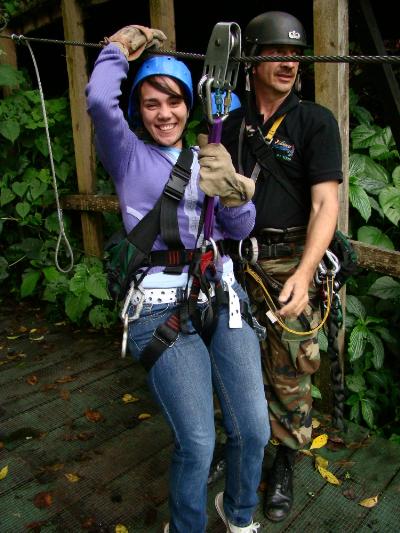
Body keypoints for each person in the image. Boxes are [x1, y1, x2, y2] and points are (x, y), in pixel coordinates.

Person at [86, 24, 269, 533]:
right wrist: (119, 47)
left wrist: (233, 194)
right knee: (199, 441)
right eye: (151, 104)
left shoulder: (206, 153)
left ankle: (237, 516)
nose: (164, 114)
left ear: (190, 105)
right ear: (139, 112)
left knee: (253, 428)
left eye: (174, 101)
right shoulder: (127, 155)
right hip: (160, 306)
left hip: (218, 291)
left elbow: (240, 230)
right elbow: (101, 101)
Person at [219, 11, 343, 523]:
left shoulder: (313, 121)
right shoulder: (228, 122)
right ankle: (239, 451)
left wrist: (304, 271)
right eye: (275, 52)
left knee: (293, 368)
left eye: (294, 54)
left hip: (292, 261)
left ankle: (287, 461)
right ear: (252, 59)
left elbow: (325, 206)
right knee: (232, 362)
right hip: (234, 263)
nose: (288, 62)